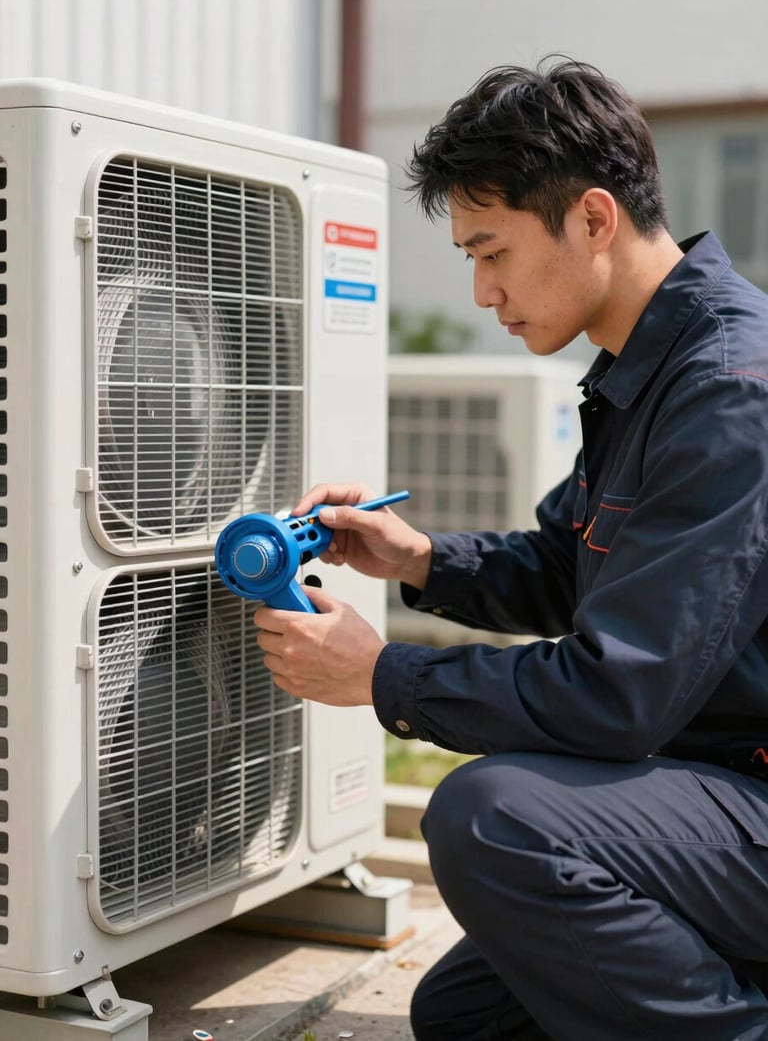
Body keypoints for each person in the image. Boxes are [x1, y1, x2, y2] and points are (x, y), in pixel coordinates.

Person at [252, 56, 768, 1040]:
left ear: (593, 218)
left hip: (751, 796)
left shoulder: (729, 391)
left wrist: (382, 676)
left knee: (492, 819)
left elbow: (620, 696)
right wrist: (417, 559)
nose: (485, 291)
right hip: (722, 789)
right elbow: (571, 572)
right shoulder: (646, 369)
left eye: (492, 251)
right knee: (466, 1016)